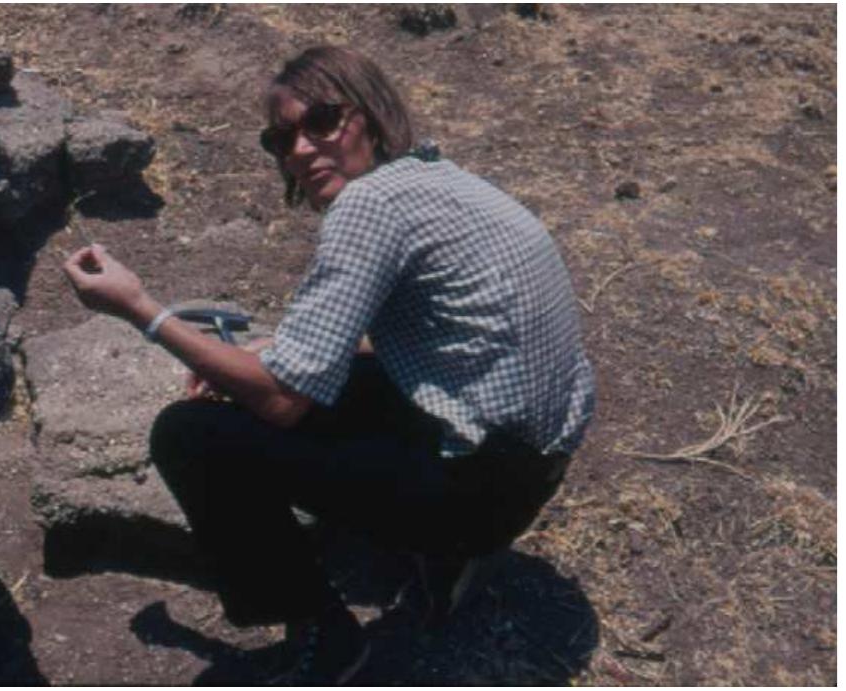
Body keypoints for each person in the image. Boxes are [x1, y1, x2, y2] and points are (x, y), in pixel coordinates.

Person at [63, 45, 595, 685]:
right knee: (301, 378)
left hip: (479, 494)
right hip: (533, 465)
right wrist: (263, 353)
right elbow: (436, 334)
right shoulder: (440, 181)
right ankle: (450, 551)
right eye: (281, 138)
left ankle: (326, 628)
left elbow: (284, 401)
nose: (301, 149)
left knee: (191, 433)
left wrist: (142, 310)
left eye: (322, 121)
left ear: (368, 115)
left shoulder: (368, 208)